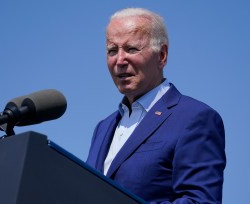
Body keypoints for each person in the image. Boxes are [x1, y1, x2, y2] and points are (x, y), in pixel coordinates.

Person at [86, 8, 226, 203]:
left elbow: (200, 201)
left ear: (161, 55)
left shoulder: (194, 118)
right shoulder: (103, 128)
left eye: (131, 49)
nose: (119, 60)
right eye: (112, 50)